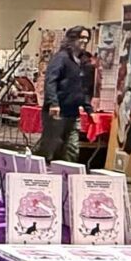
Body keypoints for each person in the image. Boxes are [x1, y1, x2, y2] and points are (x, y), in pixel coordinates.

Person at [38, 25, 91, 163]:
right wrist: (53, 103)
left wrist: (88, 109)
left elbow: (81, 88)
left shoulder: (81, 61)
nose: (85, 41)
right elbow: (50, 81)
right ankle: (36, 172)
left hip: (73, 113)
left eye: (87, 38)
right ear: (72, 39)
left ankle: (67, 177)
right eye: (82, 37)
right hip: (58, 111)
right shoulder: (61, 58)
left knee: (72, 148)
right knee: (50, 147)